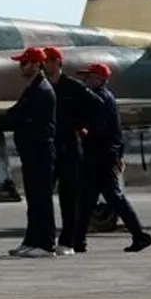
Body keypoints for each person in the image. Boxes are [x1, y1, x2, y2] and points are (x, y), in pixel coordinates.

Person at [71, 64, 151, 252]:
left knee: (114, 198)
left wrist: (79, 128)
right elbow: (116, 131)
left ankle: (140, 235)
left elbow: (97, 128)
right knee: (86, 200)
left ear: (100, 79)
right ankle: (78, 241)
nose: (85, 80)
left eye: (89, 76)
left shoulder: (99, 99)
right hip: (101, 154)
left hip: (99, 156)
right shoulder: (106, 97)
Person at [41, 46, 105, 255]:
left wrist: (82, 126)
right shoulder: (43, 87)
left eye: (49, 60)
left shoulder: (72, 87)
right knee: (43, 196)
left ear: (58, 62)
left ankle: (67, 242)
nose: (45, 64)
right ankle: (45, 240)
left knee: (69, 198)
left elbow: (97, 105)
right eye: (44, 60)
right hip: (50, 148)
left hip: (69, 147)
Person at [0, 46, 59, 258]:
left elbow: (18, 115)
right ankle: (32, 240)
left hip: (40, 150)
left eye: (24, 63)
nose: (21, 67)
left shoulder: (41, 90)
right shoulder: (33, 89)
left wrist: (9, 119)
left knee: (42, 199)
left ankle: (47, 244)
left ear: (35, 64)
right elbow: (15, 114)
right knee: (33, 199)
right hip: (31, 152)